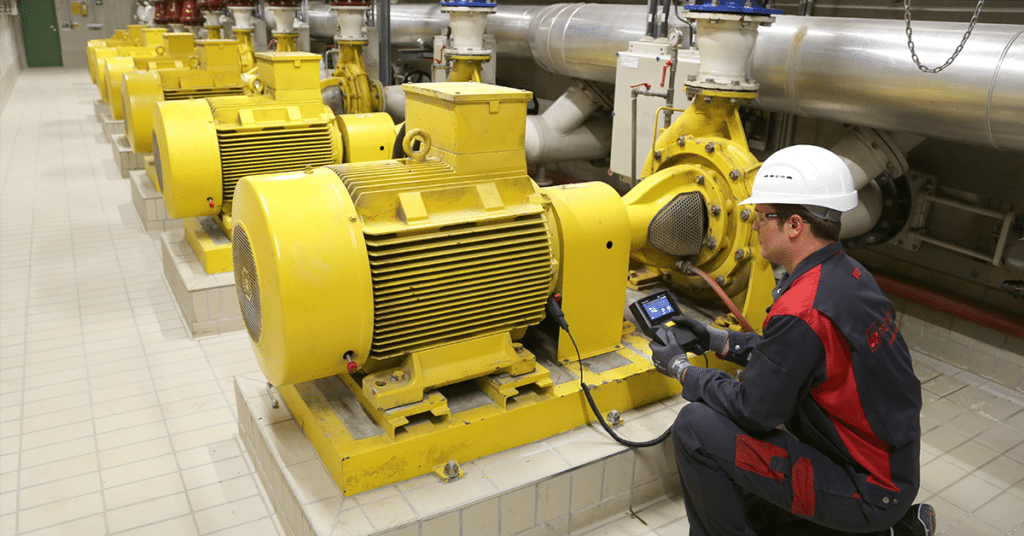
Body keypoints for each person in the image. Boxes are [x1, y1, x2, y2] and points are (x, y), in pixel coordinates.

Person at [650, 145, 934, 536]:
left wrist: (683, 372)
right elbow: (795, 358)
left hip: (866, 490)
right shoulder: (848, 275)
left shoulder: (803, 309)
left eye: (761, 216)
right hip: (889, 470)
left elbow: (755, 410)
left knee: (697, 428)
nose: (753, 225)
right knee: (755, 503)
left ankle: (881, 528)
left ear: (795, 225)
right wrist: (718, 340)